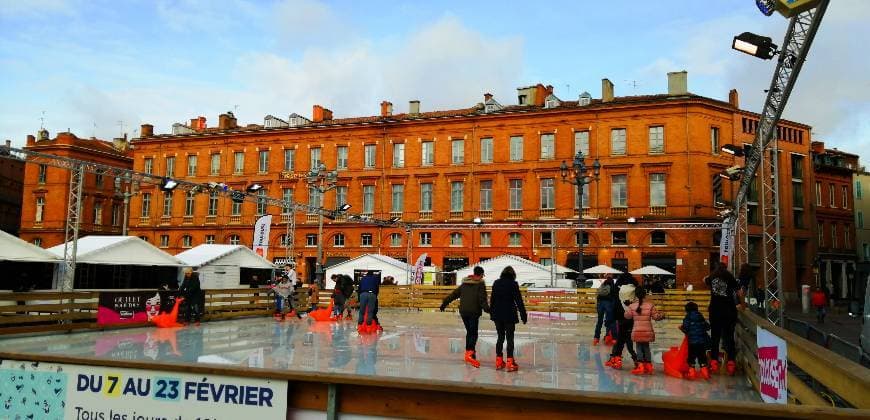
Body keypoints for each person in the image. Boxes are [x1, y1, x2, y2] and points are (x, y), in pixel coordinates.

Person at [440, 266, 489, 368]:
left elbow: (454, 294)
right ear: (480, 275)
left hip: (464, 312)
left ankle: (469, 353)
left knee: (469, 332)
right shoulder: (480, 284)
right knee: (473, 333)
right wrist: (488, 310)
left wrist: (444, 303)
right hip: (473, 312)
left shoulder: (465, 284)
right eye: (482, 275)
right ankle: (470, 354)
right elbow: (482, 299)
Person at [704, 262, 741, 375]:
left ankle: (714, 362)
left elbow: (704, 280)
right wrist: (742, 303)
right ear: (726, 268)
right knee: (729, 337)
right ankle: (731, 364)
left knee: (715, 337)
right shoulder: (730, 277)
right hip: (729, 311)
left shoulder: (712, 277)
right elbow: (739, 291)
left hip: (715, 310)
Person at [489, 266, 527, 372]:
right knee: (510, 338)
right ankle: (510, 362)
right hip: (509, 314)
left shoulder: (496, 283)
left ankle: (499, 361)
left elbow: (492, 299)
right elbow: (518, 300)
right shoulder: (513, 284)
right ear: (513, 274)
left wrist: (492, 313)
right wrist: (523, 315)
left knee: (500, 337)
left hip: (497, 314)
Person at [624, 286, 664, 375]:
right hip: (647, 330)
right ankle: (648, 366)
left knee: (638, 347)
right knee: (646, 347)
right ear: (645, 295)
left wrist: (627, 307)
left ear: (636, 295)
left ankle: (641, 365)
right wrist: (661, 315)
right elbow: (656, 317)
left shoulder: (632, 306)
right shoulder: (650, 305)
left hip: (637, 331)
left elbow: (627, 316)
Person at [606, 273, 639, 370]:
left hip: (620, 317)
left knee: (621, 338)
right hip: (632, 317)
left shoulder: (618, 288)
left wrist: (613, 317)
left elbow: (614, 302)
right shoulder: (634, 288)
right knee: (628, 338)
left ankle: (616, 359)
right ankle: (636, 359)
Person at [681, 301, 712, 380]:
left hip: (692, 342)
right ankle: (705, 373)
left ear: (687, 310)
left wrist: (682, 328)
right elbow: (707, 327)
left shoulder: (687, 317)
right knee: (702, 358)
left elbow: (685, 328)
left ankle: (692, 373)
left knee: (691, 358)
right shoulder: (700, 316)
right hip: (701, 342)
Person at [593, 274, 616, 346]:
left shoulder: (603, 284)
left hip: (600, 304)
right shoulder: (612, 285)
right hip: (608, 304)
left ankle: (596, 338)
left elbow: (598, 295)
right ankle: (612, 338)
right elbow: (614, 296)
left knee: (599, 321)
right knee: (611, 321)